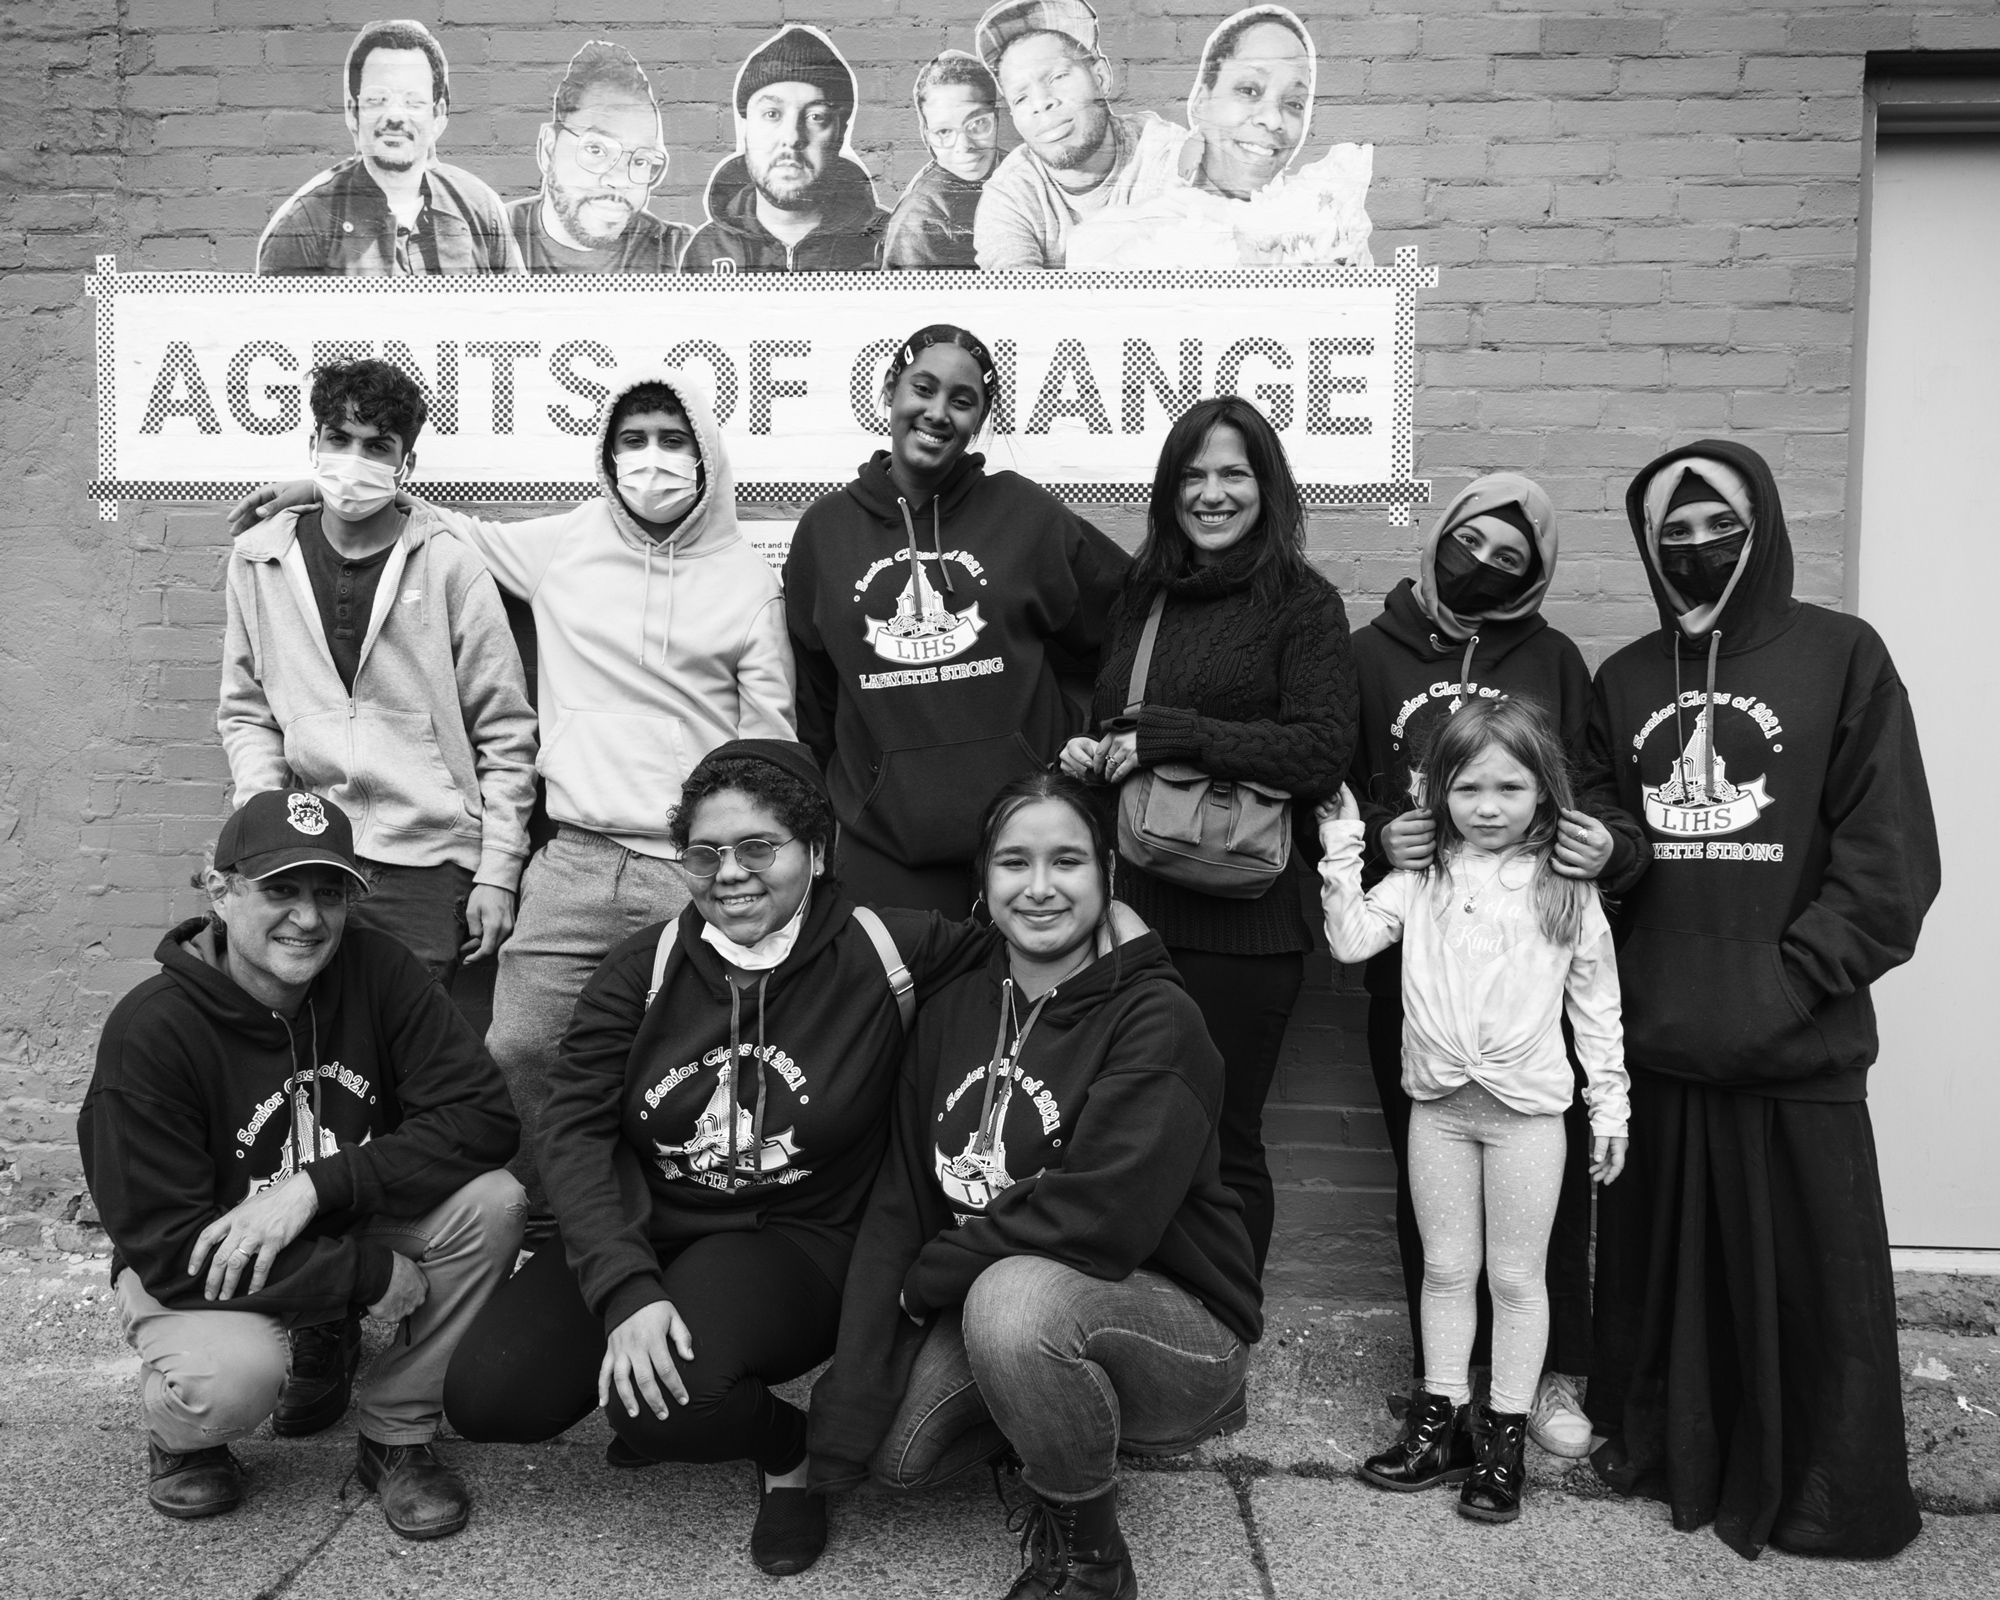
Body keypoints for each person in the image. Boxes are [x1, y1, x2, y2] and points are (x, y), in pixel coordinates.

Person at [443, 742, 1141, 1575]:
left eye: (758, 848)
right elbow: (572, 1131)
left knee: (666, 1407)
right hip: (654, 1220)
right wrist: (625, 1288)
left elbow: (1035, 930)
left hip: (797, 1236)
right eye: (703, 854)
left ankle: (787, 1457)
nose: (728, 873)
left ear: (815, 852)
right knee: (488, 1398)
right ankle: (680, 1382)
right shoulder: (646, 967)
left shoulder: (890, 949)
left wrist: (1121, 928)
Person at [227, 370, 794, 1232]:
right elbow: (439, 526)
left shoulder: (749, 583)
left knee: (700, 1060)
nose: (652, 462)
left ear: (707, 456)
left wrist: (748, 861)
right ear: (606, 460)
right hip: (571, 855)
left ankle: (690, 1232)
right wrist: (321, 486)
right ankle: (541, 1227)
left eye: (673, 442)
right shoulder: (567, 542)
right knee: (517, 1049)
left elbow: (772, 745)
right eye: (632, 442)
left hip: (693, 865)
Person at [1584, 442, 1940, 1560]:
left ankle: (1821, 1496)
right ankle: (1668, 1454)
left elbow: (1890, 862)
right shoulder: (1625, 677)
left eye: (1716, 525)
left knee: (1809, 1304)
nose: (1692, 548)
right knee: (1667, 1293)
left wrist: (1793, 980)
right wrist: (1599, 849)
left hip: (1797, 1050)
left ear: (1764, 525)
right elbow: (1615, 843)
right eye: (1668, 533)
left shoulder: (1842, 655)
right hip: (1664, 1044)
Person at [810, 773, 1262, 1599]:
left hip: (1173, 1325)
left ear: (1107, 876)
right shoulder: (955, 1006)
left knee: (1012, 1304)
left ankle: (1089, 1555)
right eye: (1015, 862)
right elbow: (906, 1193)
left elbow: (1101, 1219)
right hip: (1004, 1290)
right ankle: (1047, 1413)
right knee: (894, 1457)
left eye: (1069, 861)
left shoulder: (1155, 1017)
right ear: (983, 882)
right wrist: (854, 1381)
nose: (1041, 887)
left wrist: (934, 1280)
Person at [79, 790, 523, 1536]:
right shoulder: (151, 1032)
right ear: (219, 890)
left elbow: (483, 1120)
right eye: (279, 889)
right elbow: (164, 1242)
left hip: (348, 1215)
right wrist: (361, 1277)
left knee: (495, 1201)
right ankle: (181, 1439)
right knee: (230, 1381)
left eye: (330, 892)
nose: (310, 918)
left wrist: (318, 1186)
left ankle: (396, 1433)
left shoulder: (377, 970)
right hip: (203, 1259)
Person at [1342, 472, 1644, 1459]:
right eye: (1469, 543)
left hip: (1524, 972)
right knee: (1427, 1202)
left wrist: (1606, 849)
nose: (1481, 566)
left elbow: (1592, 796)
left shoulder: (1553, 659)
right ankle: (1439, 1391)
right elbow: (1334, 788)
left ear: (1536, 576)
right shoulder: (1369, 654)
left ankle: (1537, 1384)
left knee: (1535, 1221)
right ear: (1437, 538)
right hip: (1417, 965)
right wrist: (1385, 840)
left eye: (1509, 561)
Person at [1058, 395, 1356, 1277]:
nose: (1212, 494)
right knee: (1125, 1128)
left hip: (1249, 921)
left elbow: (1320, 749)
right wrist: (1091, 748)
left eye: (1233, 473)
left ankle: (1224, 1329)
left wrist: (1176, 735)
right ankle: (1133, 1317)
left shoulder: (1303, 603)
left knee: (1224, 1137)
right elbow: (1122, 723)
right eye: (1193, 475)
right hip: (1135, 908)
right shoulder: (1144, 597)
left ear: (1266, 486)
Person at [1319, 698, 1630, 1526]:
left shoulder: (1565, 884)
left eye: (1510, 788)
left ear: (1543, 793)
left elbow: (1596, 1005)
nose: (1488, 807)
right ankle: (1438, 1423)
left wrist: (1611, 1108)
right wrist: (1343, 848)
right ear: (1438, 793)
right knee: (1447, 1269)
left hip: (1527, 1114)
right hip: (1440, 1110)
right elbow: (1351, 942)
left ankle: (1503, 1440)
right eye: (1467, 789)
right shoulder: (1422, 875)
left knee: (1517, 1278)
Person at [784, 323, 1129, 916]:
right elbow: (813, 701)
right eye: (924, 388)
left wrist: (1105, 732)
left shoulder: (1025, 515)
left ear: (979, 418)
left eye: (962, 400)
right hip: (880, 846)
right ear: (891, 390)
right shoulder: (826, 531)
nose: (938, 412)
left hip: (1028, 839)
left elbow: (1132, 626)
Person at [219, 359, 536, 992]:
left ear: (405, 466)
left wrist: (498, 867)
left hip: (427, 861)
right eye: (338, 440)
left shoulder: (449, 566)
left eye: (377, 447)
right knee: (299, 1051)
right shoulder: (259, 558)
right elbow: (247, 710)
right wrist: (263, 812)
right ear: (314, 444)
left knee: (403, 1061)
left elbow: (504, 734)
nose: (352, 460)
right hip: (308, 851)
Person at [1062, 4, 1374, 271]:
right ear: (1200, 102)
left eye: (1294, 104)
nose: (1275, 119)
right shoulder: (1108, 240)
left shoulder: (1322, 228)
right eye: (1249, 90)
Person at [257, 19, 520, 276]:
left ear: (438, 115)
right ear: (353, 112)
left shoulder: (480, 212)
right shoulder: (304, 228)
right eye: (378, 99)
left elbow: (518, 317)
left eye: (413, 101)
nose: (395, 115)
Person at [972, 0, 1188, 269]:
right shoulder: (1009, 196)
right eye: (1021, 97)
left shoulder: (1166, 153)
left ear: (1101, 78)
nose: (1041, 103)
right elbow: (1019, 304)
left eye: (1057, 77)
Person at [680, 25, 888, 273]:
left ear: (841, 132)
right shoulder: (707, 252)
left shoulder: (890, 242)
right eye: (771, 114)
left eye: (815, 116)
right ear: (744, 127)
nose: (791, 137)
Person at [509, 40, 686, 273]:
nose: (621, 180)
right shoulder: (485, 242)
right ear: (549, 149)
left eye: (640, 160)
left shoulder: (683, 254)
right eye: (596, 149)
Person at [885, 51, 1004, 270]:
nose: (964, 146)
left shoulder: (1024, 172)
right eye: (943, 132)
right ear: (926, 135)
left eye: (977, 124)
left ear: (996, 119)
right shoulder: (919, 219)